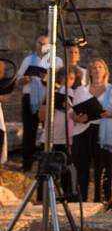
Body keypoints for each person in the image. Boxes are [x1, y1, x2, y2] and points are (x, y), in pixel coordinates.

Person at [38, 67, 91, 200]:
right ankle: (43, 198)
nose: (68, 81)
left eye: (72, 78)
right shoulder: (51, 94)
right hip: (50, 137)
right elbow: (41, 117)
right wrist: (50, 106)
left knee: (67, 171)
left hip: (68, 138)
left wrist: (69, 109)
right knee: (46, 170)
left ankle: (67, 198)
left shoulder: (76, 96)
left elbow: (78, 117)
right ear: (59, 79)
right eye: (65, 78)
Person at [83, 59, 112, 206]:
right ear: (89, 71)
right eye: (93, 67)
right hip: (86, 129)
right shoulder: (83, 89)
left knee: (105, 166)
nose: (97, 70)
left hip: (106, 131)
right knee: (87, 166)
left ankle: (105, 200)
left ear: (105, 70)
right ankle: (86, 200)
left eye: (100, 67)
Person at [17, 35, 61, 172]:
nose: (42, 46)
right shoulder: (28, 60)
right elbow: (18, 79)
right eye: (39, 43)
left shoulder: (56, 61)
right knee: (29, 131)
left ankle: (47, 162)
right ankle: (27, 163)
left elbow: (61, 83)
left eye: (45, 44)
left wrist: (46, 78)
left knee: (49, 131)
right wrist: (24, 79)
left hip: (48, 99)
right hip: (30, 98)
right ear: (35, 44)